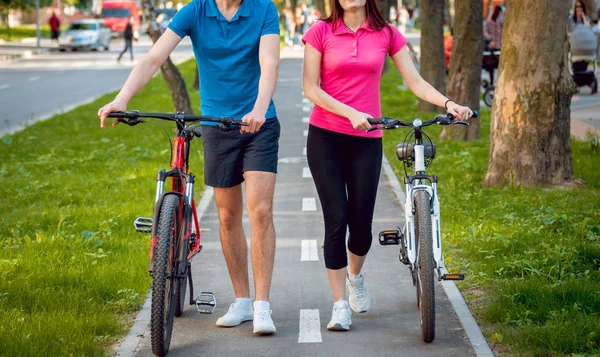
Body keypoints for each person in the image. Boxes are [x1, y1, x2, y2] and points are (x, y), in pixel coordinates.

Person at [98, 0, 281, 335]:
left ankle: (262, 306)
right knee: (227, 215)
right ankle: (242, 300)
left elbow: (269, 63)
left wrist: (258, 108)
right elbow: (154, 57)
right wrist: (122, 99)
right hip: (215, 124)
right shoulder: (195, 11)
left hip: (259, 124)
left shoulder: (263, 9)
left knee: (261, 211)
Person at [302, 0, 473, 332]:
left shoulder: (387, 34)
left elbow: (417, 82)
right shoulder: (319, 31)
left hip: (368, 138)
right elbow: (311, 88)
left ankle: (355, 277)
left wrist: (449, 103)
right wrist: (349, 113)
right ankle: (339, 305)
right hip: (326, 137)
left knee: (362, 226)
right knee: (336, 220)